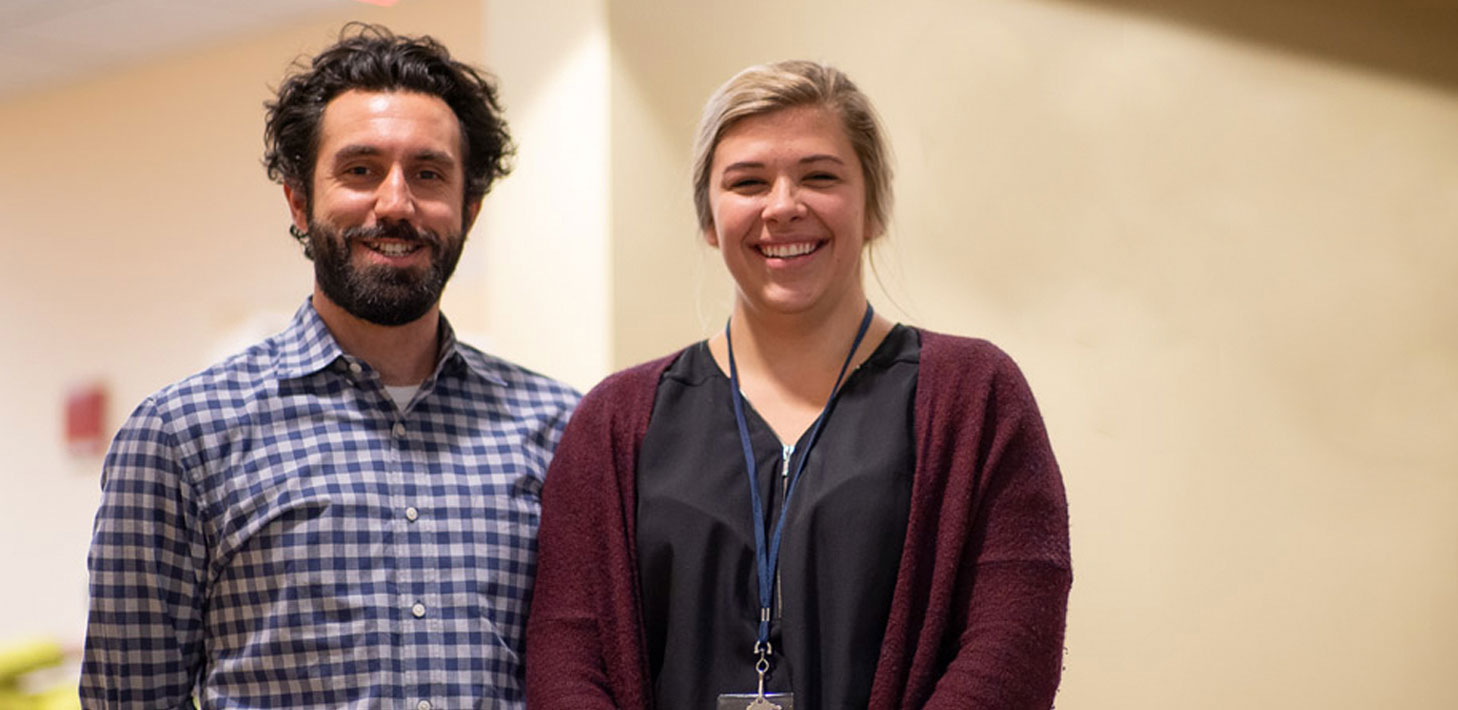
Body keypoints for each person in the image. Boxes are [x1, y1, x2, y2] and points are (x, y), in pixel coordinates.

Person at [526, 60, 1071, 710]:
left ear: (874, 208)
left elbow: (1011, 651)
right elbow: (567, 659)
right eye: (748, 182)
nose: (783, 207)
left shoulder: (976, 397)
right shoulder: (614, 421)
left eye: (819, 176)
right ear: (709, 219)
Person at [81, 24, 579, 709]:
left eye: (428, 174)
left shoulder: (562, 429)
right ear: (298, 199)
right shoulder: (180, 437)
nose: (396, 203)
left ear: (469, 209)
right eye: (360, 170)